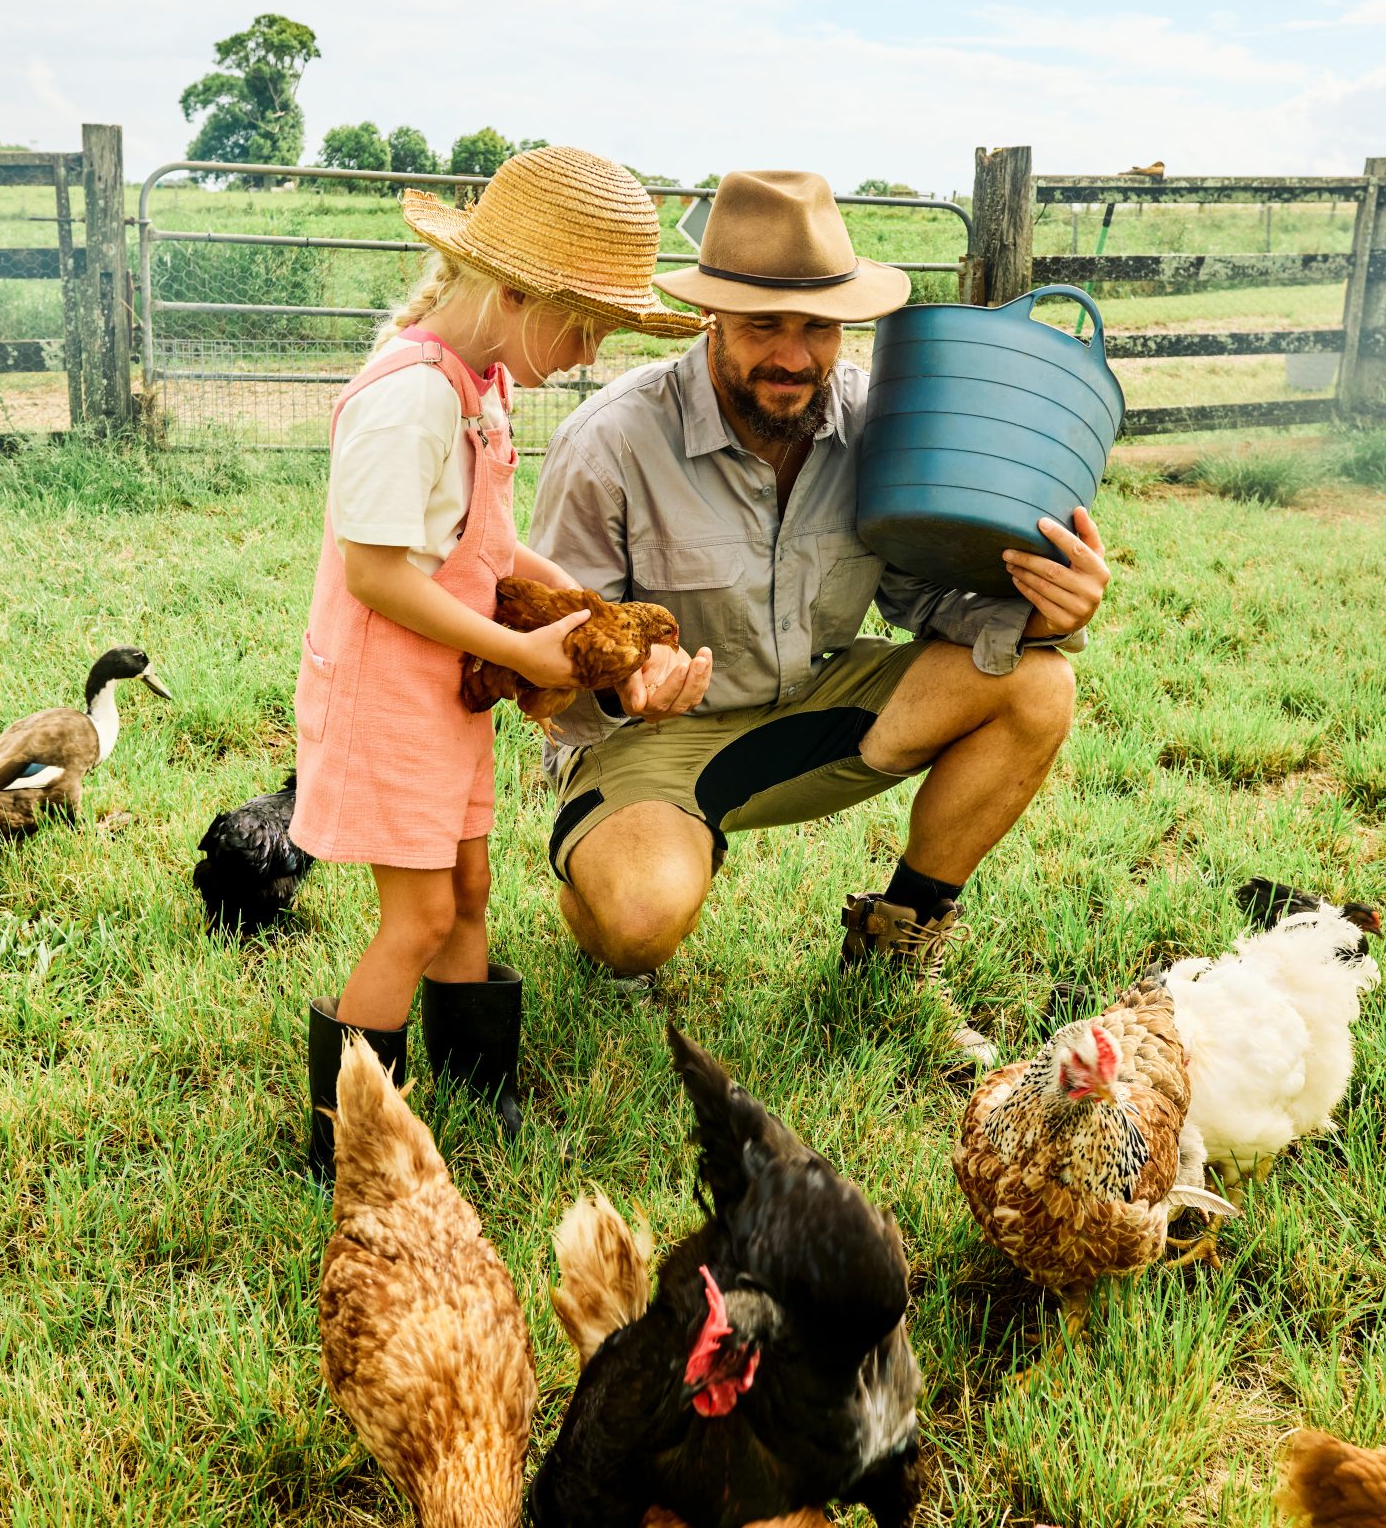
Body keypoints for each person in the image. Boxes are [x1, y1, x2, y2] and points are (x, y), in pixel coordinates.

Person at [530, 169, 1113, 1062]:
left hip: (814, 707)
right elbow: (547, 672)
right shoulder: (609, 443)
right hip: (651, 739)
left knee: (1037, 683)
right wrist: (624, 693)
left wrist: (1046, 612)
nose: (795, 356)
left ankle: (898, 943)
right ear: (709, 316)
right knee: (638, 923)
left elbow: (920, 598)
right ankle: (600, 884)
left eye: (819, 327)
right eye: (764, 323)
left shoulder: (876, 423)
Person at [291, 146, 703, 1181]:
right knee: (419, 913)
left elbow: (484, 541)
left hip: (445, 688)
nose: (596, 346)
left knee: (468, 886)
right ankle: (347, 1138)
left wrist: (577, 604)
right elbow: (380, 573)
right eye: (587, 321)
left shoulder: (481, 383)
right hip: (392, 691)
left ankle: (476, 1088)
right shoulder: (408, 398)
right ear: (515, 291)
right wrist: (520, 647)